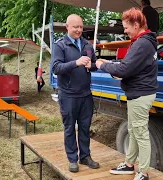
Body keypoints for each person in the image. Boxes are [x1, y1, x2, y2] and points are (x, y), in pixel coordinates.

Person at [96, 8, 158, 180]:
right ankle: (129, 165)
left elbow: (124, 69)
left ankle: (143, 173)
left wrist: (103, 65)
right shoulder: (141, 41)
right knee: (133, 130)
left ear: (136, 25)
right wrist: (111, 64)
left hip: (140, 94)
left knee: (141, 134)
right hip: (137, 93)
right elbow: (128, 66)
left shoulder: (142, 43)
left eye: (126, 27)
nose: (124, 30)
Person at [51, 14, 99, 172]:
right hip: (68, 95)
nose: (79, 30)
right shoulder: (60, 45)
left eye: (80, 27)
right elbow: (56, 68)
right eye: (75, 27)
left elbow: (94, 65)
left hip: (86, 94)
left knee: (85, 127)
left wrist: (91, 65)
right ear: (67, 27)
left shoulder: (87, 45)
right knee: (70, 127)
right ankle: (72, 158)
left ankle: (85, 156)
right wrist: (76, 63)